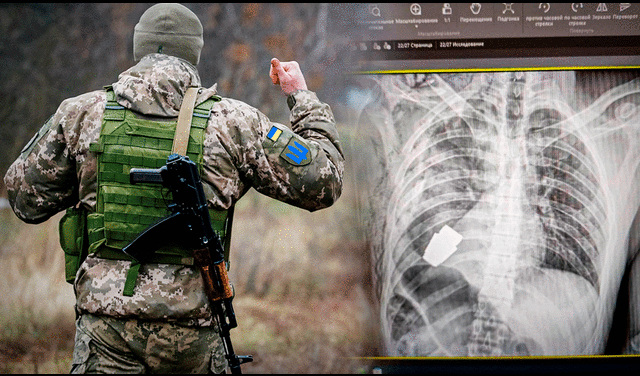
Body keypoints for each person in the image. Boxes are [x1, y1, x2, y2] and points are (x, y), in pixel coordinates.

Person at [3, 3, 344, 374]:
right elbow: (324, 182)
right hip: (193, 335)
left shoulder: (80, 114)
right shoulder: (233, 122)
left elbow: (24, 200)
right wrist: (302, 98)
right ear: (194, 52)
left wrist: (90, 176)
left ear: (139, 48)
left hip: (105, 333)